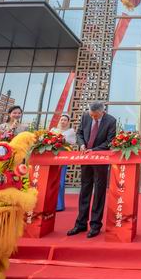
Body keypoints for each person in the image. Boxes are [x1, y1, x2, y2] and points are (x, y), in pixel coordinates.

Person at [67, 102, 116, 238]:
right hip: (86, 159)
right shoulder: (85, 116)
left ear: (102, 112)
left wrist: (94, 150)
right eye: (91, 115)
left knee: (99, 193)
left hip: (100, 161)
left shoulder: (111, 121)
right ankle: (80, 224)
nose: (93, 117)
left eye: (95, 116)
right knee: (85, 190)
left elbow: (110, 141)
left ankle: (95, 225)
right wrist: (82, 144)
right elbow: (79, 133)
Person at [51, 114, 77, 212]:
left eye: (65, 120)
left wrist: (63, 140)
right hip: (52, 158)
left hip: (62, 159)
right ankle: (50, 203)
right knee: (51, 181)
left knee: (60, 182)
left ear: (68, 122)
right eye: (61, 119)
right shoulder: (53, 130)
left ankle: (59, 205)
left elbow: (72, 143)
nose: (63, 121)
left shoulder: (70, 132)